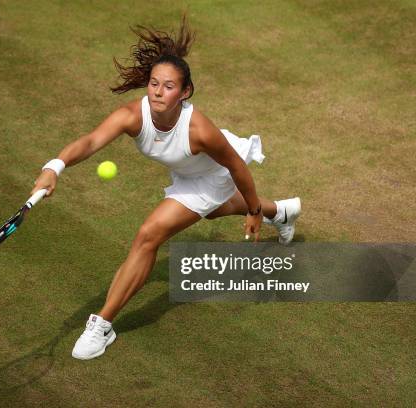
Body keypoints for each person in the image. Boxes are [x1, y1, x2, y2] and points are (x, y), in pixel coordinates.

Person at [30, 17, 301, 360]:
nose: (158, 91)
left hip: (215, 173)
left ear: (185, 91)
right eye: (154, 84)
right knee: (214, 211)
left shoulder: (199, 130)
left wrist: (253, 210)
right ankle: (284, 212)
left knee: (149, 234)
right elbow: (91, 140)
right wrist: (54, 167)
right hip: (187, 172)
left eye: (168, 86)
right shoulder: (133, 115)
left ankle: (103, 324)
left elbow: (236, 166)